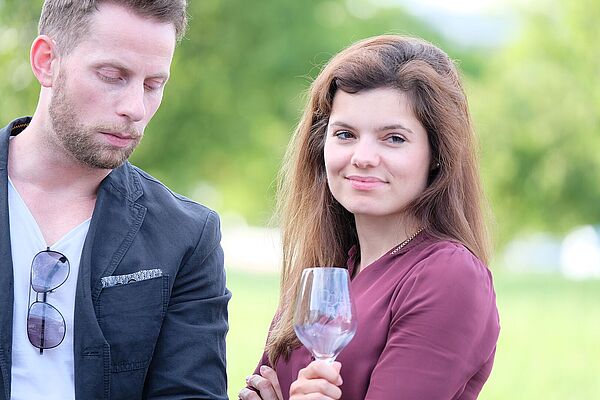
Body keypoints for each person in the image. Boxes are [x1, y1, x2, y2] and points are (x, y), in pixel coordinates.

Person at [239, 35, 500, 400]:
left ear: (438, 154)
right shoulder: (324, 275)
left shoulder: (448, 275)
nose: (362, 157)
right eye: (345, 134)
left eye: (393, 138)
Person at [0, 1, 230, 399]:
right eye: (112, 76)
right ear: (46, 61)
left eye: (153, 85)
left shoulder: (187, 236)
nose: (135, 108)